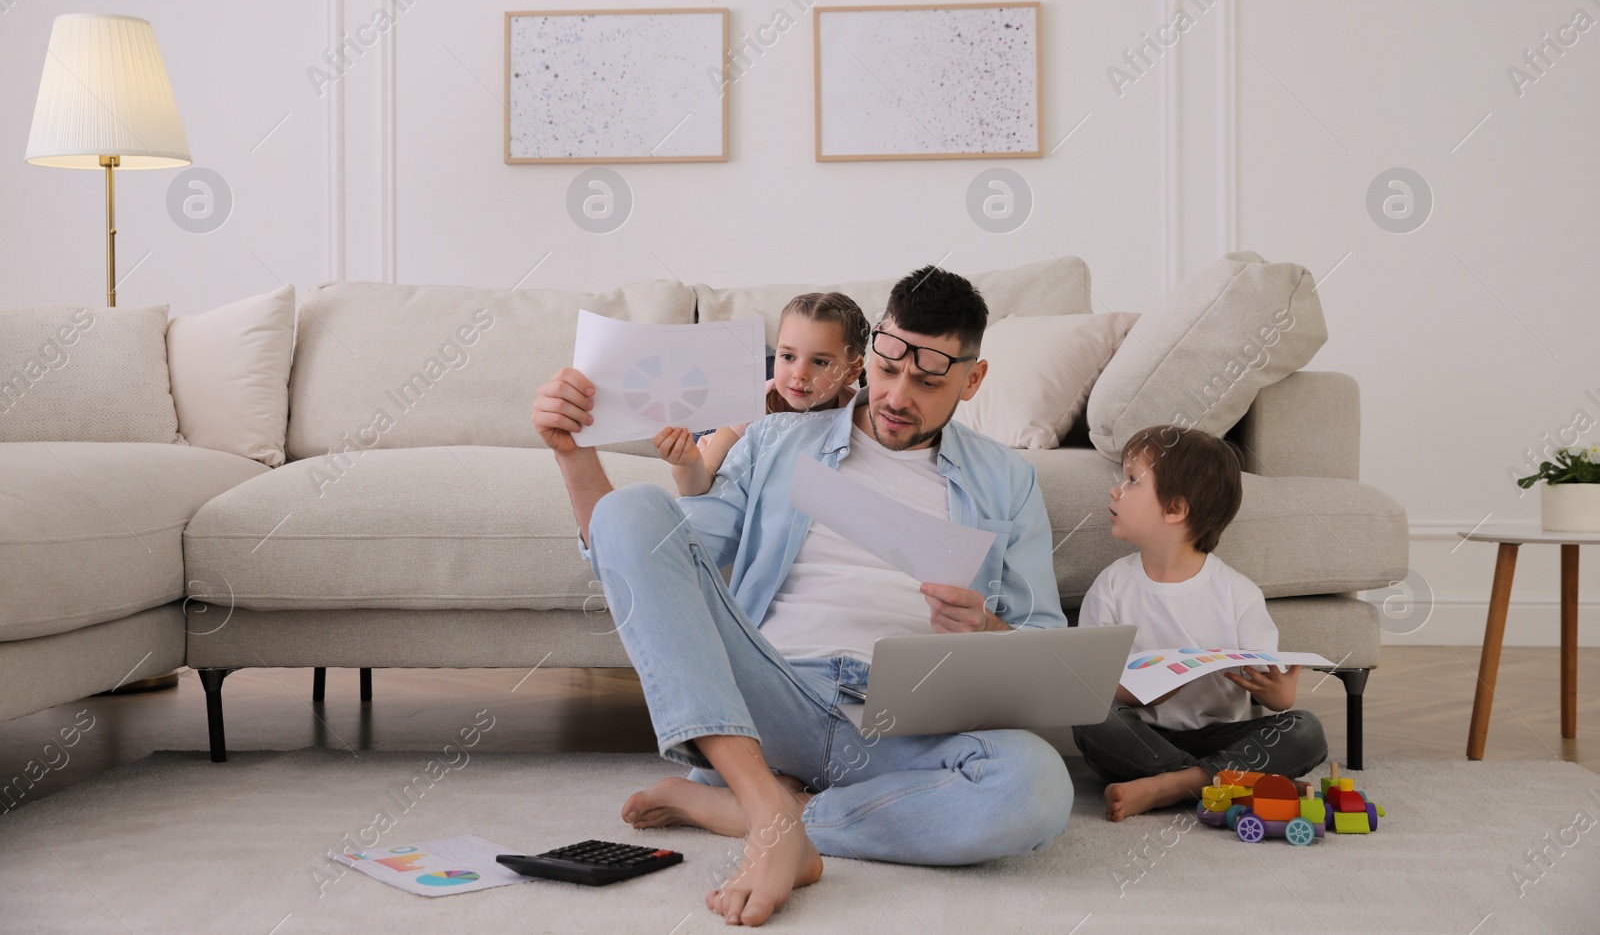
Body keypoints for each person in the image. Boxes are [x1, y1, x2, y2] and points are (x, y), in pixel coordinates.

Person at [530, 266, 1072, 927]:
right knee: (631, 510)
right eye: (886, 368)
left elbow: (1047, 649)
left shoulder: (1008, 481)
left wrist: (989, 630)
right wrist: (572, 453)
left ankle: (762, 811)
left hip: (904, 723)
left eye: (928, 382)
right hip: (776, 692)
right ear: (871, 350)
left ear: (973, 379)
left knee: (1037, 787)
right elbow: (661, 552)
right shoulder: (773, 439)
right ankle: (766, 802)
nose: (898, 395)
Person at [1071, 424, 1327, 822]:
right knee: (1090, 716)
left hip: (1218, 737)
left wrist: (1280, 694)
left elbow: (1273, 695)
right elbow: (1089, 684)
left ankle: (1170, 787)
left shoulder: (1237, 593)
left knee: (1305, 730)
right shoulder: (1113, 586)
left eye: (1133, 481)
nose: (1115, 490)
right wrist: (1136, 693)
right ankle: (1225, 783)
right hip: (1144, 737)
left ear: (1175, 509)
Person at [654, 292, 867, 496]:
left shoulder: (857, 415)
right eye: (788, 355)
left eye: (819, 361)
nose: (800, 374)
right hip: (739, 408)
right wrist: (688, 464)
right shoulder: (749, 407)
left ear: (852, 371)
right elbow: (696, 488)